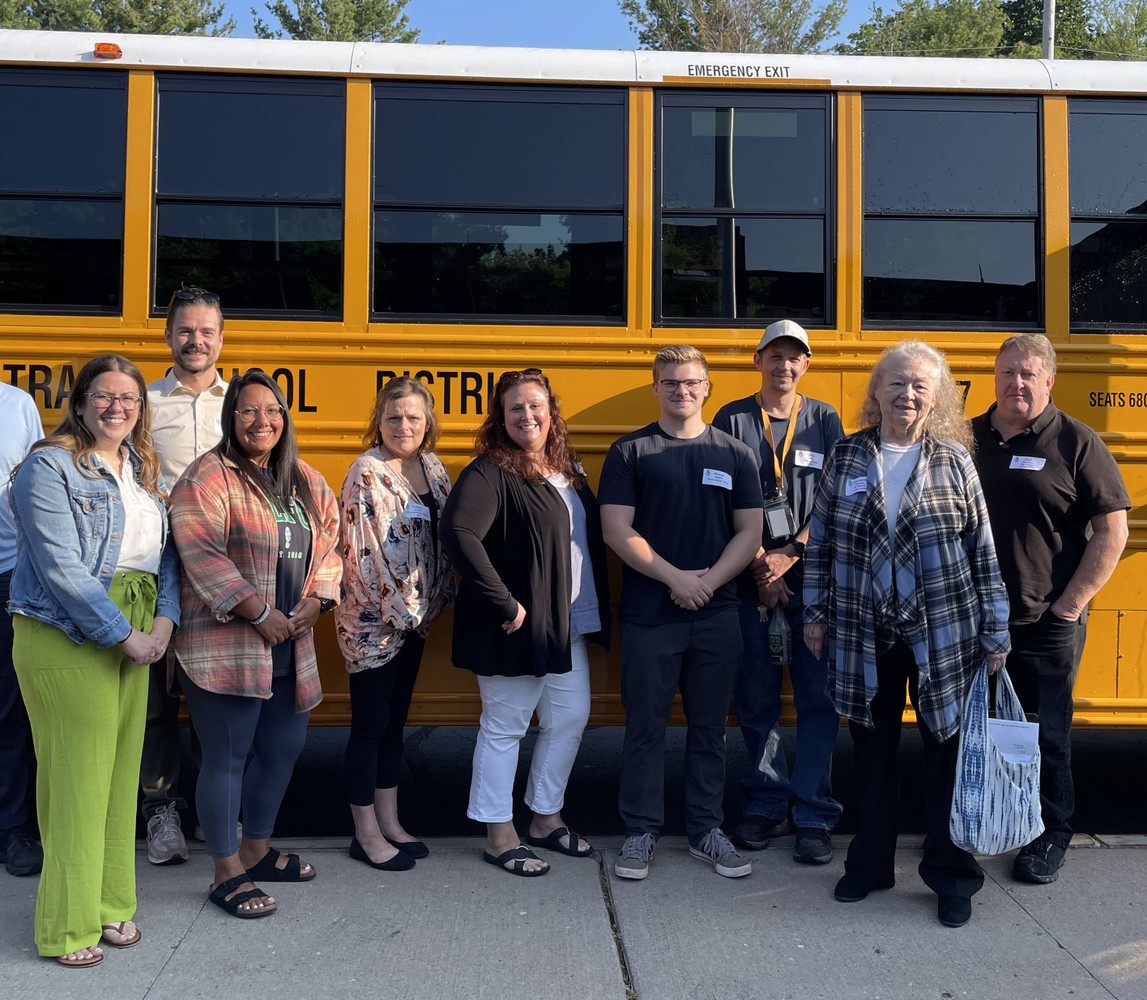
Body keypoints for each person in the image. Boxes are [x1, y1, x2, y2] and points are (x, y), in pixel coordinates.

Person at [803, 341, 1010, 929]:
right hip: (864, 629)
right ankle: (870, 864)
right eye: (896, 383)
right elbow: (820, 543)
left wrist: (995, 631)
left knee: (946, 750)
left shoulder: (955, 460)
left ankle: (951, 874)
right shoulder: (846, 455)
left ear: (937, 396)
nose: (907, 395)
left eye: (920, 385)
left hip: (944, 628)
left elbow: (982, 550)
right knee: (871, 749)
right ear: (877, 391)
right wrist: (813, 613)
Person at [9, 355, 180, 967]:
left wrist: (163, 621)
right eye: (104, 397)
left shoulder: (140, 469)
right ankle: (65, 926)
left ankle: (110, 903)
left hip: (136, 624)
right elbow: (60, 568)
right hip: (68, 631)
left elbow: (163, 557)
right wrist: (123, 635)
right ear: (79, 403)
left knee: (115, 778)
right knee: (76, 780)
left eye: (129, 399)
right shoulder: (47, 467)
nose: (117, 408)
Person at [169, 370, 340, 918]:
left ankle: (257, 849)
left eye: (272, 410)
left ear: (285, 417)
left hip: (293, 643)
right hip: (228, 645)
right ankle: (225, 870)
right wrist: (258, 611)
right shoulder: (207, 478)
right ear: (231, 417)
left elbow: (331, 548)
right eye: (247, 411)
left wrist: (319, 602)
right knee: (227, 757)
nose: (261, 421)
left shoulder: (305, 480)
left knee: (283, 751)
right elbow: (200, 554)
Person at [600, 345, 763, 882]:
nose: (681, 390)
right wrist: (676, 580)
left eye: (691, 382)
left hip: (718, 614)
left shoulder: (736, 453)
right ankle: (640, 832)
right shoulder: (630, 452)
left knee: (710, 729)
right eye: (670, 382)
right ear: (655, 387)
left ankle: (705, 832)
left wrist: (708, 583)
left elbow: (750, 531)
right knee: (645, 728)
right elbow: (617, 531)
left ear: (707, 387)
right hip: (650, 615)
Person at [971, 334, 1129, 886]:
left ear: (1049, 381)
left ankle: (1049, 834)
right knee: (978, 732)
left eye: (1029, 374)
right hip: (974, 621)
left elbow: (1112, 532)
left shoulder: (1076, 443)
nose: (1017, 383)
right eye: (1008, 372)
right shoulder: (968, 438)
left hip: (1045, 622)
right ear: (995, 375)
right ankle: (986, 823)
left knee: (1044, 735)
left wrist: (1070, 605)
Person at [441, 368, 610, 878]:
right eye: (515, 407)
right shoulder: (491, 470)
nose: (527, 416)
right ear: (501, 416)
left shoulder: (564, 468)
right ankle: (499, 834)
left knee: (569, 719)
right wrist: (506, 602)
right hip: (513, 628)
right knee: (505, 726)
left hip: (564, 626)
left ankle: (546, 817)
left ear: (551, 411)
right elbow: (458, 531)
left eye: (535, 405)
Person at [714, 320, 844, 864]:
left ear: (806, 365)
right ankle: (766, 804)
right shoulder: (730, 418)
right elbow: (716, 503)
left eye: (795, 358)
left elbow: (839, 499)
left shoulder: (825, 420)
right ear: (758, 361)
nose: (784, 366)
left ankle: (813, 812)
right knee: (757, 701)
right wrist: (760, 570)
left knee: (817, 700)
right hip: (749, 584)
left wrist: (790, 556)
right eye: (775, 356)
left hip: (813, 584)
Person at [337, 377, 455, 871]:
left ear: (427, 422)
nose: (403, 426)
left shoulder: (431, 467)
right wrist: (401, 614)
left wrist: (432, 605)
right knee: (369, 726)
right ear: (378, 421)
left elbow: (448, 535)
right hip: (373, 624)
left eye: (412, 417)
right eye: (393, 417)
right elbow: (361, 555)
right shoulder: (366, 472)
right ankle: (364, 832)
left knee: (395, 725)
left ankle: (391, 820)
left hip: (417, 619)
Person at [142, 285, 228, 866]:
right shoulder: (144, 403)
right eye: (185, 331)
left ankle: (213, 808)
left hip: (223, 568)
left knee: (212, 692)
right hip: (157, 563)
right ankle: (160, 811)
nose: (195, 341)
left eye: (206, 331)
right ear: (169, 335)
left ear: (221, 339)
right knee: (153, 697)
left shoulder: (242, 401)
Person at [0, 382, 44, 878]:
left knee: (12, 707)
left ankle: (14, 827)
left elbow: (31, 486)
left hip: (7, 571)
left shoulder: (17, 405)